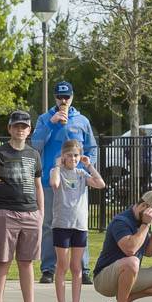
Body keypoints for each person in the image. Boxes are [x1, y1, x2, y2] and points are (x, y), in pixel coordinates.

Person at [32, 80, 97, 283]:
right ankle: (48, 269)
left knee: (79, 223)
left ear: (72, 97)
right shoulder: (44, 119)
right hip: (51, 179)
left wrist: (87, 167)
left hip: (76, 181)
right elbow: (35, 145)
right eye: (60, 97)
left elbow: (92, 148)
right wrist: (51, 123)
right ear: (54, 98)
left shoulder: (82, 120)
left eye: (66, 97)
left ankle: (83, 268)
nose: (63, 101)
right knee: (50, 223)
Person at [0, 110, 45, 302]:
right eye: (17, 126)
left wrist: (41, 213)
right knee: (3, 261)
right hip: (6, 212)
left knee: (26, 262)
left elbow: (38, 185)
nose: (20, 130)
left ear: (29, 130)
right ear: (9, 128)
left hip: (30, 212)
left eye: (24, 126)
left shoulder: (34, 154)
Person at [92, 190, 152, 302]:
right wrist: (146, 224)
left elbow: (149, 252)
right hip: (104, 279)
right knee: (132, 262)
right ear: (145, 207)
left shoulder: (142, 222)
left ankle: (127, 298)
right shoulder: (122, 221)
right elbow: (130, 250)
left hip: (128, 275)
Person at [49, 139, 105, 302]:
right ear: (63, 156)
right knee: (62, 265)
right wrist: (57, 165)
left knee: (77, 267)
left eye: (76, 155)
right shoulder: (57, 171)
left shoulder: (81, 173)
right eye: (70, 155)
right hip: (62, 225)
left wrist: (90, 166)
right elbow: (55, 184)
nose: (73, 158)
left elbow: (100, 184)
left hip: (79, 225)